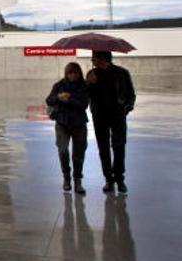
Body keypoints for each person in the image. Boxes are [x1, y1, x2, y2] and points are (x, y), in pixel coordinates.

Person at [86, 50, 136, 193]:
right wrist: (88, 83)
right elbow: (86, 94)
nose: (92, 61)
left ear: (103, 59)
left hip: (118, 116)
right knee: (103, 148)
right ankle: (108, 179)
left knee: (119, 146)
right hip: (99, 116)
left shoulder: (122, 73)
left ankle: (120, 179)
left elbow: (131, 95)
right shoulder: (92, 74)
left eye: (94, 58)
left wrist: (125, 109)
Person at [46, 62, 90, 194]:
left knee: (78, 153)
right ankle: (66, 178)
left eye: (75, 73)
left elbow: (83, 104)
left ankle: (78, 180)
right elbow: (49, 100)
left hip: (79, 124)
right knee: (63, 150)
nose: (72, 75)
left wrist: (69, 98)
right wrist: (59, 97)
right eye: (70, 72)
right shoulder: (59, 85)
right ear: (66, 73)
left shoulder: (83, 87)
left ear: (79, 73)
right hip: (62, 123)